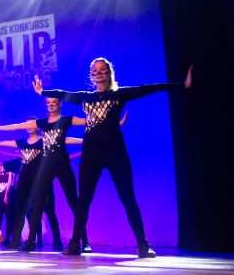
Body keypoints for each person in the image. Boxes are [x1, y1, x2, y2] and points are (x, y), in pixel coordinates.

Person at [34, 59, 193, 257]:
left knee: (128, 197)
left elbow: (149, 88)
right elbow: (62, 93)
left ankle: (143, 245)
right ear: (91, 76)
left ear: (109, 73)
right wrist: (42, 92)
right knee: (83, 200)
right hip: (91, 154)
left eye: (103, 70)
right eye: (95, 71)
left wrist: (182, 85)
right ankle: (75, 244)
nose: (99, 73)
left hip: (115, 152)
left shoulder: (119, 94)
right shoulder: (85, 97)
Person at [0, 96, 90, 252]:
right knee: (38, 204)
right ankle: (30, 242)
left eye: (54, 102)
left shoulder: (64, 120)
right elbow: (18, 126)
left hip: (62, 164)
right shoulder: (43, 123)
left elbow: (78, 130)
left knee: (73, 202)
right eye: (48, 103)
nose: (51, 105)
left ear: (60, 104)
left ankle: (84, 241)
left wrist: (88, 139)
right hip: (46, 167)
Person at [0, 123, 62, 250]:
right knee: (26, 213)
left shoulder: (43, 144)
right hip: (29, 190)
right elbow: (1, 156)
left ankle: (57, 242)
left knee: (50, 213)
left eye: (32, 124)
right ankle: (23, 241)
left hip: (45, 185)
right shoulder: (19, 161)